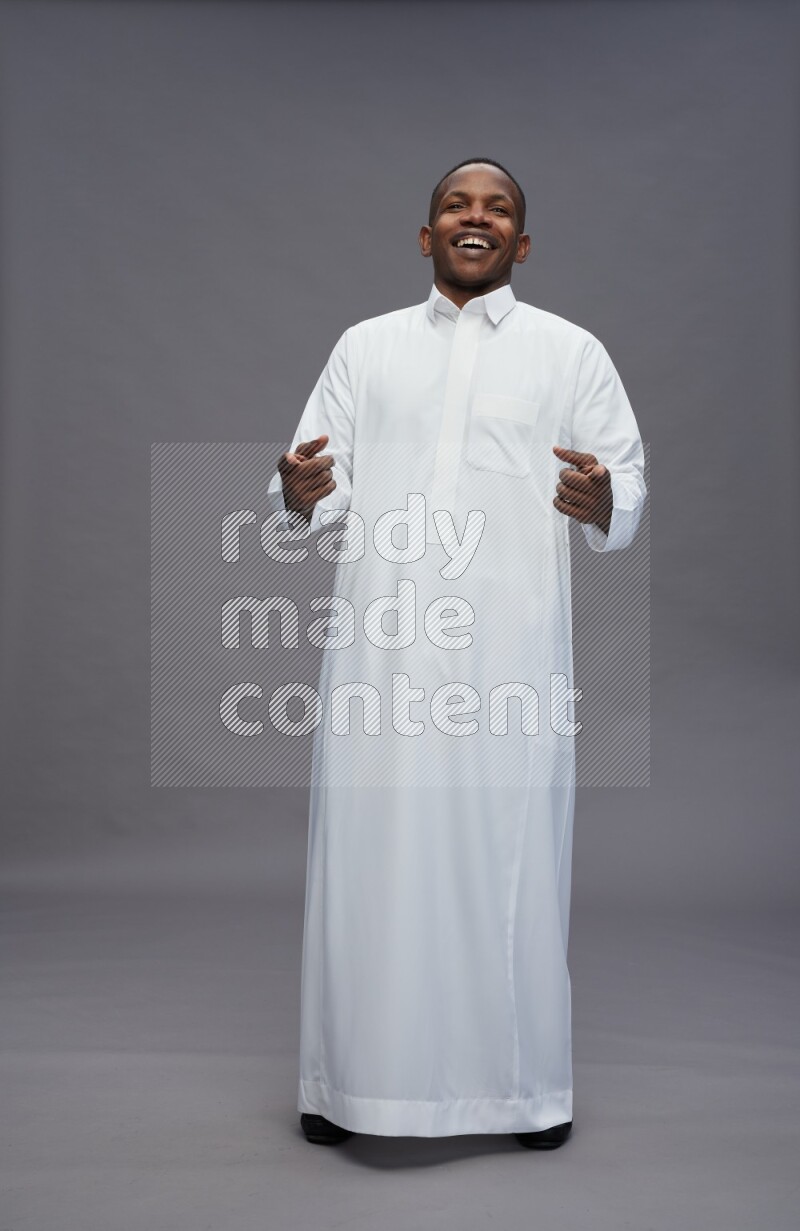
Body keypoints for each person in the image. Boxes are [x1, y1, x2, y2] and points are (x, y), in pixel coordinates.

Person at [266, 158, 646, 1150]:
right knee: (368, 859)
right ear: (425, 233)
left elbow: (623, 483)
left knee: (504, 860)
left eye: (497, 209)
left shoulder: (570, 353)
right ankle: (341, 1082)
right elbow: (311, 479)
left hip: (508, 657)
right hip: (381, 652)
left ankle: (522, 1091)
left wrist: (605, 500)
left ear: (522, 241)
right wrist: (297, 493)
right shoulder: (365, 347)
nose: (475, 218)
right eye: (455, 205)